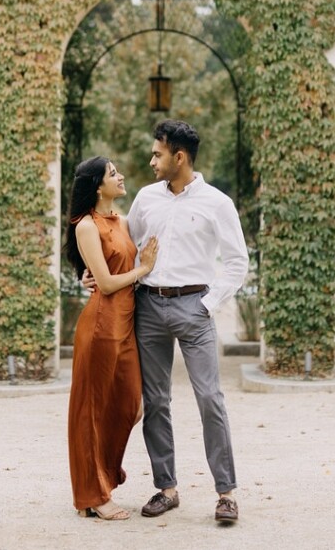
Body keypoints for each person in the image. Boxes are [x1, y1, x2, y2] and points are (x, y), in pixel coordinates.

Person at [92, 119, 249, 525]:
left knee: (210, 398)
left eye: (157, 154)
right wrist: (94, 273)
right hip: (148, 307)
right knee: (156, 401)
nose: (152, 161)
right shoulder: (146, 198)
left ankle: (226, 493)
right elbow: (126, 246)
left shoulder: (217, 203)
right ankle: (167, 488)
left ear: (179, 157)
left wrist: (207, 304)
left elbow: (237, 263)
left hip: (195, 308)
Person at [64, 156, 159, 521]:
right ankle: (93, 495)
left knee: (130, 405)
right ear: (97, 185)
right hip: (101, 327)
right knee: (92, 412)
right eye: (113, 173)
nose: (120, 177)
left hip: (126, 325)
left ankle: (100, 480)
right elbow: (104, 283)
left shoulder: (121, 221)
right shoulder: (86, 226)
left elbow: (105, 269)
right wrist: (143, 269)